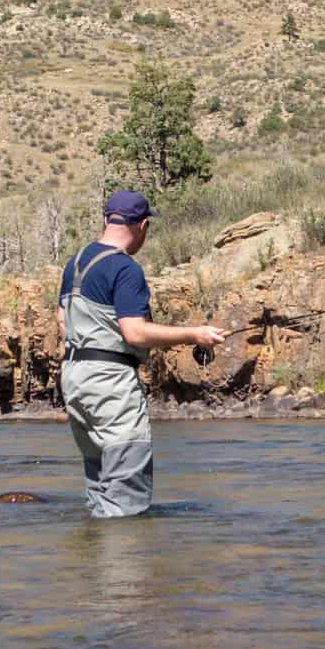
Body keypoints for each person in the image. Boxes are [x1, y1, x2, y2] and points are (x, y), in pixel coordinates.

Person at [57, 189, 225, 518]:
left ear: (107, 219)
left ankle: (95, 563)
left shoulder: (75, 263)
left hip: (74, 380)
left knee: (99, 481)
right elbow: (134, 332)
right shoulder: (125, 269)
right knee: (125, 483)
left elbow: (62, 320)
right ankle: (125, 566)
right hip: (110, 383)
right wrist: (195, 333)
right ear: (143, 225)